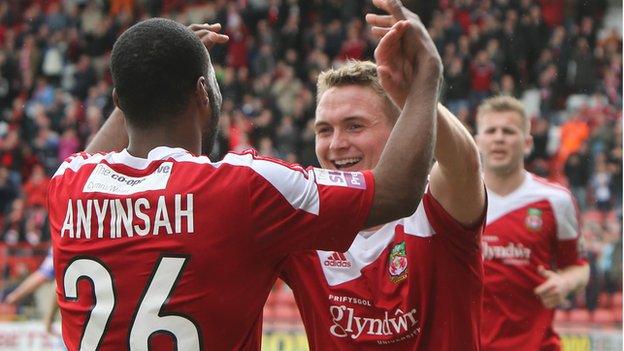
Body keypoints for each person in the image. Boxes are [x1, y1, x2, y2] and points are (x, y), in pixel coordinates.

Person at [48, 6, 442, 351]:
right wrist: (426, 75)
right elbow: (396, 193)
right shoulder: (243, 186)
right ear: (202, 93)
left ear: (120, 102)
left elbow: (97, 155)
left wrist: (148, 78)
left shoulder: (67, 184)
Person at [276, 3, 486, 350]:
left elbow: (464, 165)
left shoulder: (435, 207)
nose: (337, 144)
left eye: (355, 126)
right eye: (324, 130)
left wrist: (417, 92)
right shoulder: (304, 222)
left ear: (400, 129)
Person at [475, 96, 589, 351]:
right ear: (477, 141)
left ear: (527, 143)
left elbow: (579, 268)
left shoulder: (556, 200)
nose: (499, 138)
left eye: (509, 131)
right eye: (491, 131)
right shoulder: (456, 200)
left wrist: (565, 282)